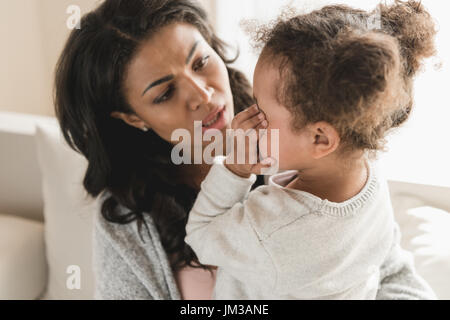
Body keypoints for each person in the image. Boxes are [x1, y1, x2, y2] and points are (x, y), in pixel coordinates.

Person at [54, 0, 436, 299]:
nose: (202, 94)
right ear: (133, 118)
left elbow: (387, 270)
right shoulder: (126, 223)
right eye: (166, 92)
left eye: (201, 61)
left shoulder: (303, 123)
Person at [185, 0, 438, 299]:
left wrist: (235, 170)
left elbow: (200, 234)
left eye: (261, 109)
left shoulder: (269, 229)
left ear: (320, 139)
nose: (250, 114)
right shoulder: (366, 169)